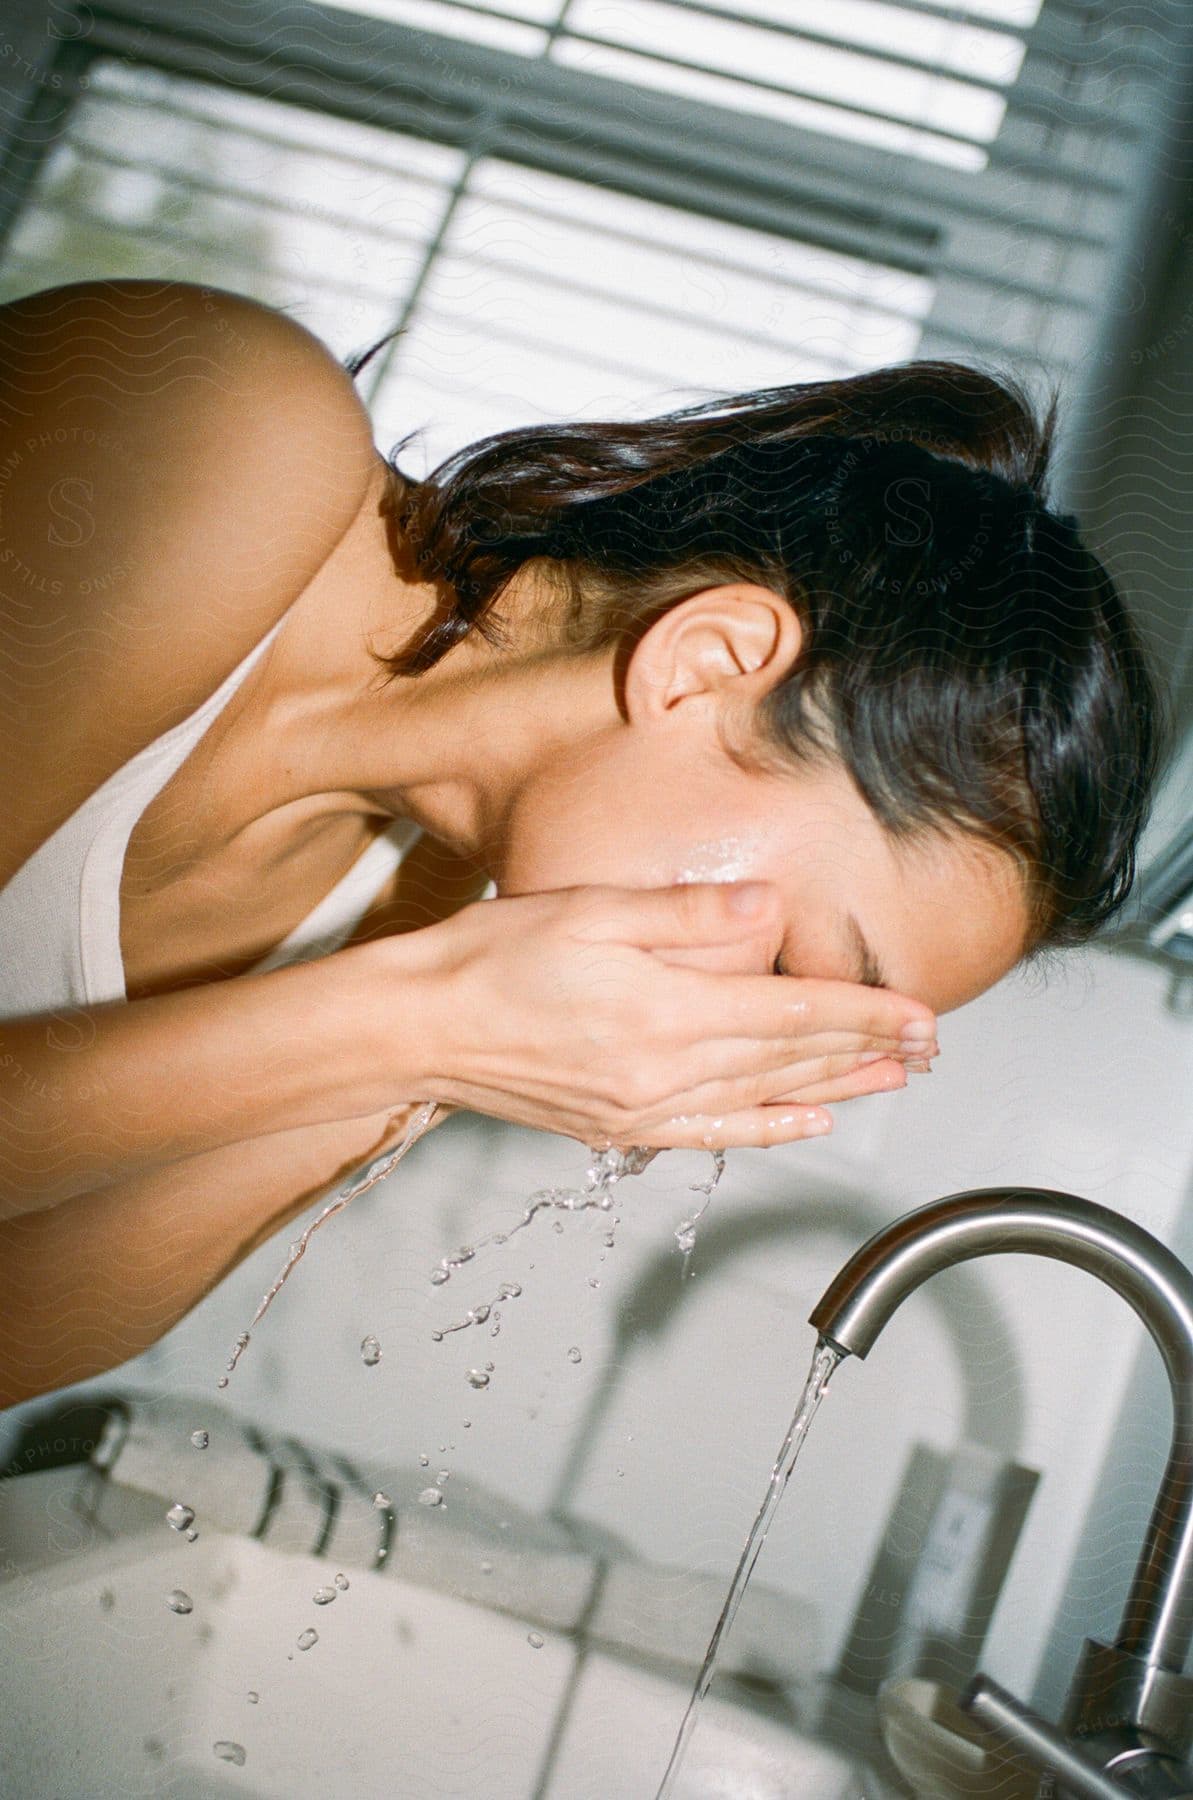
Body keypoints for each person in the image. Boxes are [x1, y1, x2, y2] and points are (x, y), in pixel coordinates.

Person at [0, 279, 1163, 1408]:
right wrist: (413, 1022)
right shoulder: (221, 430)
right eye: (783, 970)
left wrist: (425, 1058)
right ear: (706, 668)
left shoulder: (442, 920)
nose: (725, 1031)